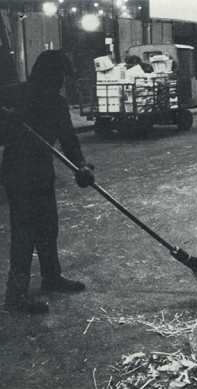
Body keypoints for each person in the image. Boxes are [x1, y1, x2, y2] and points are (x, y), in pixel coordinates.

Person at [0, 50, 95, 314]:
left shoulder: (58, 103)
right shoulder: (13, 95)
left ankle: (51, 276)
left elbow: (69, 140)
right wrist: (8, 122)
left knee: (48, 226)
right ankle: (15, 296)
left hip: (42, 173)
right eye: (58, 76)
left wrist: (82, 166)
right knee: (24, 233)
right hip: (18, 173)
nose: (60, 82)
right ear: (45, 73)